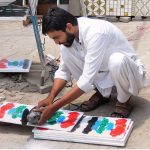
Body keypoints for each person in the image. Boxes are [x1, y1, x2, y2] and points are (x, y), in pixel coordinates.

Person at [36, 7, 147, 125]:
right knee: (67, 53)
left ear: (68, 26)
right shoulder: (70, 38)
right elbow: (63, 71)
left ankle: (123, 101)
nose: (56, 42)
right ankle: (102, 94)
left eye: (56, 37)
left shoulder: (96, 32)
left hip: (129, 77)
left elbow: (86, 80)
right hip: (105, 75)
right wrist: (50, 98)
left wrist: (54, 108)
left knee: (117, 61)